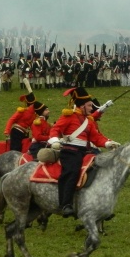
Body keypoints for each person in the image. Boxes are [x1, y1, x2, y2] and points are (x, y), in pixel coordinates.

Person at [47, 87, 120, 218]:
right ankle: (65, 204)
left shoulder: (89, 121)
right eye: (89, 106)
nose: (92, 108)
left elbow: (96, 137)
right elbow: (55, 129)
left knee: (99, 169)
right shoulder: (68, 116)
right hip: (70, 151)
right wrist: (54, 140)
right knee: (72, 171)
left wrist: (108, 143)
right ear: (82, 106)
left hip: (85, 152)